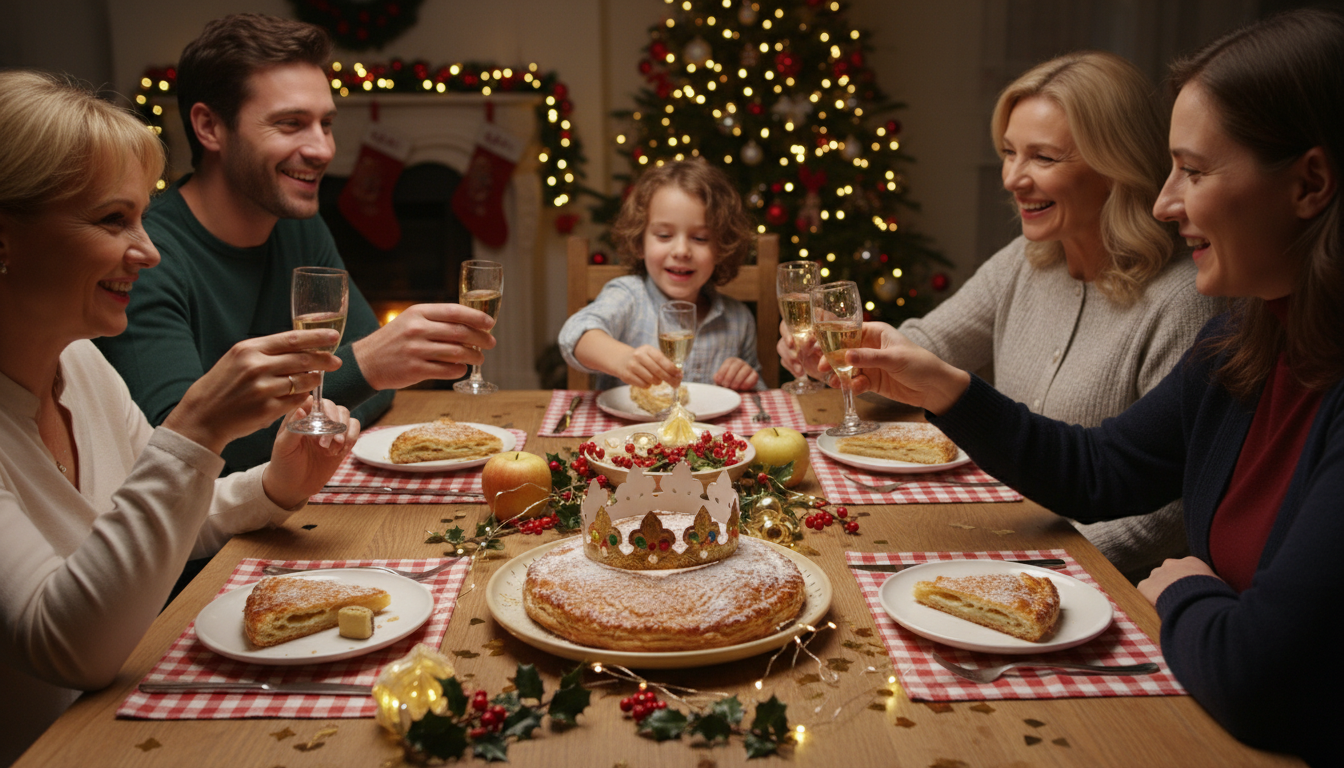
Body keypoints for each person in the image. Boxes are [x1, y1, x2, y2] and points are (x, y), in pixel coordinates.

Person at [830, 10, 1344, 764]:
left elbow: (1257, 675)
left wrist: (1181, 590)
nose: (1169, 202)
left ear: (1310, 184)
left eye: (1195, 172)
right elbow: (1101, 469)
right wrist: (945, 387)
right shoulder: (1251, 336)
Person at [0, 70, 360, 765]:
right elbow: (69, 648)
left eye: (141, 216)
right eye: (113, 220)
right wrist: (195, 430)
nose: (150, 250)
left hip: (136, 723)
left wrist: (276, 486)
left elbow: (169, 520)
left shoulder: (81, 366)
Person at [781, 52, 1223, 582]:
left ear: (1116, 165)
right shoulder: (1026, 260)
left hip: (1094, 587)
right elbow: (924, 350)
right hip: (997, 533)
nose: (1012, 178)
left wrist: (1035, 569)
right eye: (1010, 152)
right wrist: (852, 352)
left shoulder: (1184, 299)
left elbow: (1169, 515)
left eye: (1044, 158)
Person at [93, 13, 496, 474]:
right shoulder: (145, 255)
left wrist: (343, 390)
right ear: (209, 127)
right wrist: (360, 368)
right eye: (290, 124)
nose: (323, 149)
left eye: (325, 124)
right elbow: (176, 455)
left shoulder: (296, 224)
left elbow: (378, 391)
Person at [559, 158, 764, 392]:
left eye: (700, 238)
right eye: (664, 235)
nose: (681, 251)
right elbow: (574, 335)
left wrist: (746, 380)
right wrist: (622, 359)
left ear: (722, 247)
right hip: (632, 429)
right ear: (639, 242)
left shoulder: (738, 319)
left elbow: (760, 397)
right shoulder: (628, 296)